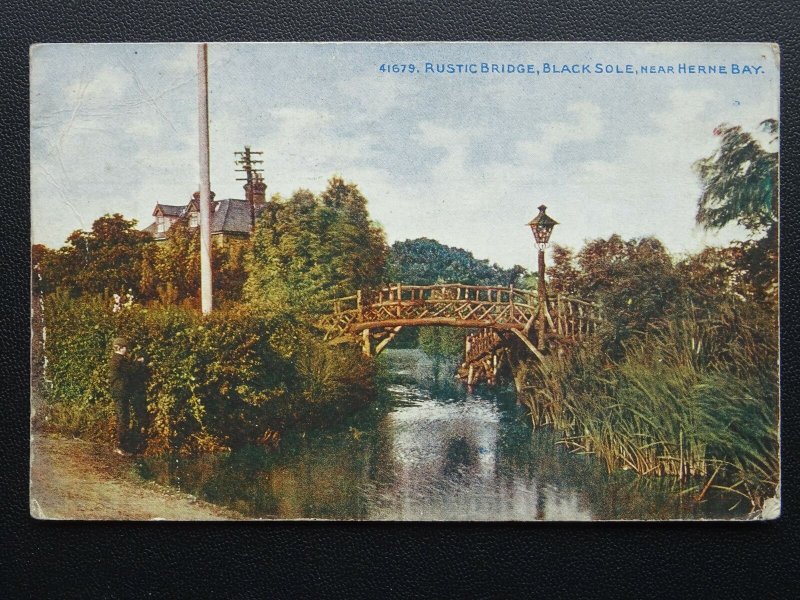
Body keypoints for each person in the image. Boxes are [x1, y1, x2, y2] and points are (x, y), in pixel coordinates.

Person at [108, 336, 148, 455]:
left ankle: (121, 446)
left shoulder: (118, 359)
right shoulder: (118, 360)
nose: (126, 349)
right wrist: (139, 362)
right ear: (119, 348)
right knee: (123, 419)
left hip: (121, 392)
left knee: (124, 419)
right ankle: (120, 447)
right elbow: (131, 371)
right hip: (120, 393)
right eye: (125, 347)